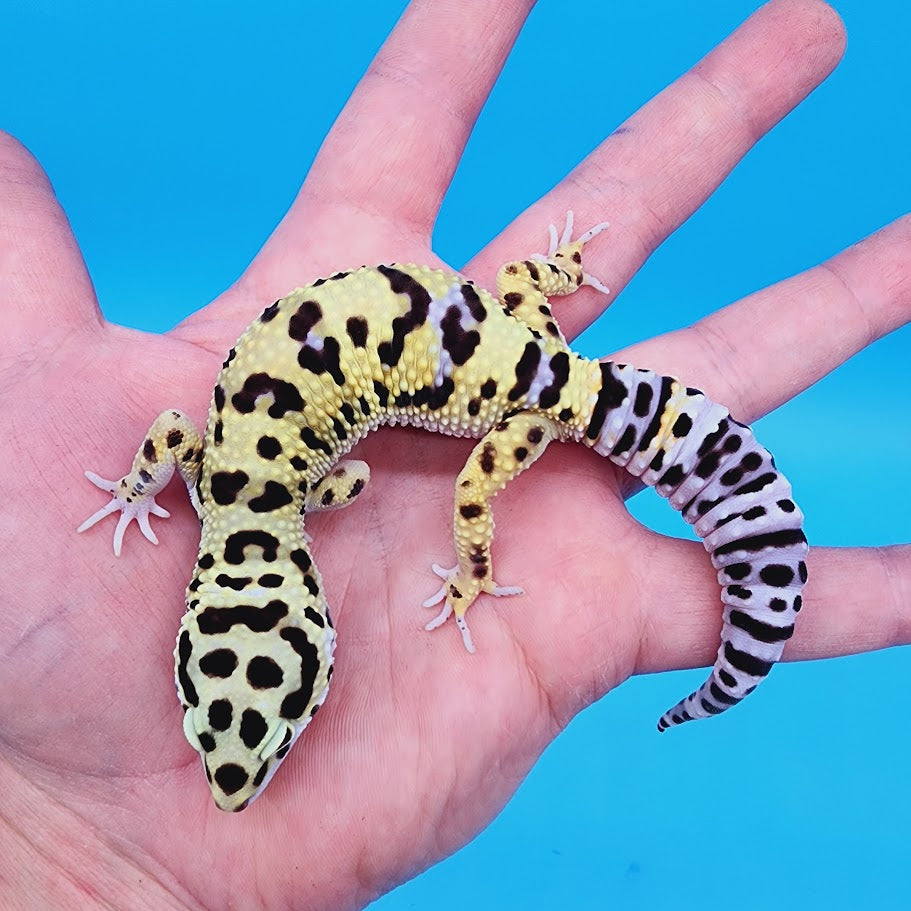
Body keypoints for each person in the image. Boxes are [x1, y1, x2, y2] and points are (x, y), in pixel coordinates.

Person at [1, 0, 907, 907]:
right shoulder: (212, 480)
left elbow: (338, 475)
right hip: (509, 326)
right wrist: (149, 483)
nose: (233, 772)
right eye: (255, 735)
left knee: (470, 498)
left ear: (217, 622)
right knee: (486, 393)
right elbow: (227, 449)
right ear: (303, 625)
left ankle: (490, 571)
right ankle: (582, 351)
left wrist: (454, 563)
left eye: (235, 731)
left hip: (520, 397)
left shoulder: (280, 495)